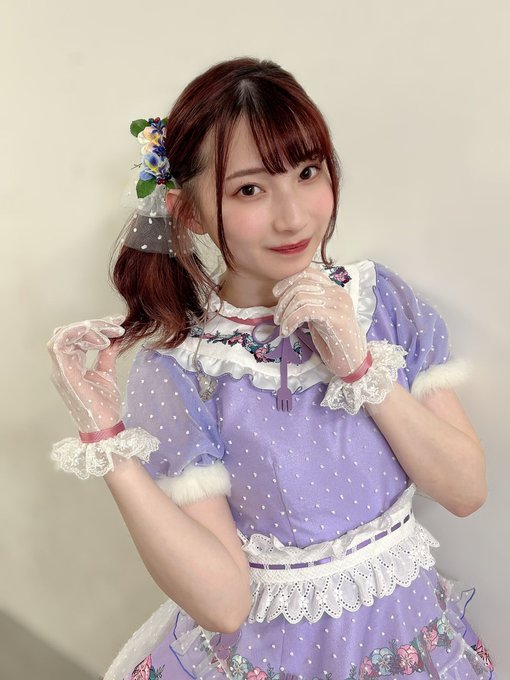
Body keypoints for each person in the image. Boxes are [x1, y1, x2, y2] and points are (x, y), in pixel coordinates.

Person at [47, 57, 496, 680]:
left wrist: (361, 367)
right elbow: (225, 605)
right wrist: (108, 442)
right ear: (188, 212)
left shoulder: (379, 301)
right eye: (249, 190)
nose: (294, 216)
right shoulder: (185, 369)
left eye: (307, 172)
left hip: (413, 639)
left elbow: (466, 491)